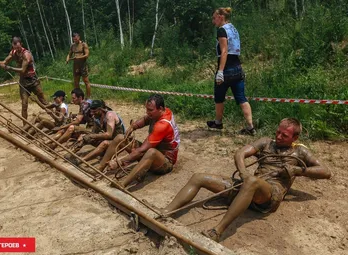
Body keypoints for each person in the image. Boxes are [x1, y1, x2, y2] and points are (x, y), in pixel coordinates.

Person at [163, 118, 331, 242]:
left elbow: (325, 172)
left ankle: (217, 231)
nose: (279, 136)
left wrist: (298, 170)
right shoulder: (266, 143)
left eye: (284, 135)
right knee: (199, 177)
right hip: (249, 184)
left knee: (252, 182)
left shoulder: (300, 153)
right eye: (278, 132)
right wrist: (243, 173)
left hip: (269, 194)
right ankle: (165, 212)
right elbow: (240, 153)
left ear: (295, 138)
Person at [96, 94, 180, 188]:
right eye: (147, 109)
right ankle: (100, 167)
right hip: (153, 150)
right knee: (120, 137)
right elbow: (145, 119)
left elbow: (142, 151)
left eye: (150, 110)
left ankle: (122, 184)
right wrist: (133, 127)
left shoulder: (163, 124)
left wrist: (119, 161)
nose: (147, 112)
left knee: (151, 152)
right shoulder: (161, 111)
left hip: (165, 162)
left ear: (160, 108)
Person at [206, 8, 255, 135]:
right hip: (238, 68)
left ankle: (218, 122)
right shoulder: (233, 28)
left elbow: (224, 51)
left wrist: (220, 72)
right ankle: (250, 127)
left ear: (221, 17)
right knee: (241, 98)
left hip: (227, 69)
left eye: (214, 18)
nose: (213, 21)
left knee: (219, 97)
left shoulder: (222, 30)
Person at [0, 37, 48, 125]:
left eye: (18, 47)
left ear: (21, 44)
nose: (17, 49)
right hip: (23, 82)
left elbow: (23, 70)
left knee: (43, 101)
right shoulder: (13, 52)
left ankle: (58, 114)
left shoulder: (26, 54)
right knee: (24, 104)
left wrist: (9, 68)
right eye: (15, 47)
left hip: (32, 80)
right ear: (13, 46)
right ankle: (25, 125)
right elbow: (3, 63)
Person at [67, 99, 125, 165]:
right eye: (91, 111)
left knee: (104, 143)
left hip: (118, 141)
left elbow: (109, 134)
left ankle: (80, 161)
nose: (92, 113)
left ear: (100, 109)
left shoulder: (110, 115)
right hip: (110, 139)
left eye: (94, 111)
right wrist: (85, 136)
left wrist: (91, 136)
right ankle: (70, 154)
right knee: (85, 137)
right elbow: (94, 133)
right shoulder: (96, 117)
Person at [66, 32, 91, 99]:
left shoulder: (83, 44)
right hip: (76, 66)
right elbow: (69, 54)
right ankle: (79, 97)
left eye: (76, 39)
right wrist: (67, 59)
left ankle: (88, 97)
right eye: (74, 39)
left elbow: (87, 55)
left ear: (79, 37)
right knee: (76, 82)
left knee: (86, 81)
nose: (75, 40)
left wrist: (78, 57)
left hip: (83, 65)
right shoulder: (72, 45)